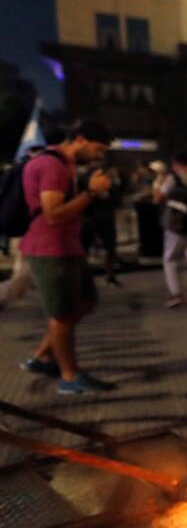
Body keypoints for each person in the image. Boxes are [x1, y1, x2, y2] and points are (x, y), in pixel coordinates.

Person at [19, 118, 117, 394]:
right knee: (62, 315)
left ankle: (42, 357)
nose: (100, 155)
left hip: (67, 246)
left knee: (85, 302)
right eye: (98, 148)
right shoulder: (51, 166)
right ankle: (69, 377)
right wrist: (91, 192)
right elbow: (53, 215)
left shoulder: (65, 164)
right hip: (51, 249)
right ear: (81, 140)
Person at [154, 153, 187, 309]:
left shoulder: (172, 180)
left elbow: (157, 198)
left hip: (176, 226)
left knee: (169, 259)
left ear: (176, 165)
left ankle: (176, 294)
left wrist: (158, 182)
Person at [79, 157, 121, 287]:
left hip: (106, 218)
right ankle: (83, 279)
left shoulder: (110, 180)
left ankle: (110, 276)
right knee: (85, 249)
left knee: (111, 248)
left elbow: (116, 198)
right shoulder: (84, 178)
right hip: (90, 218)